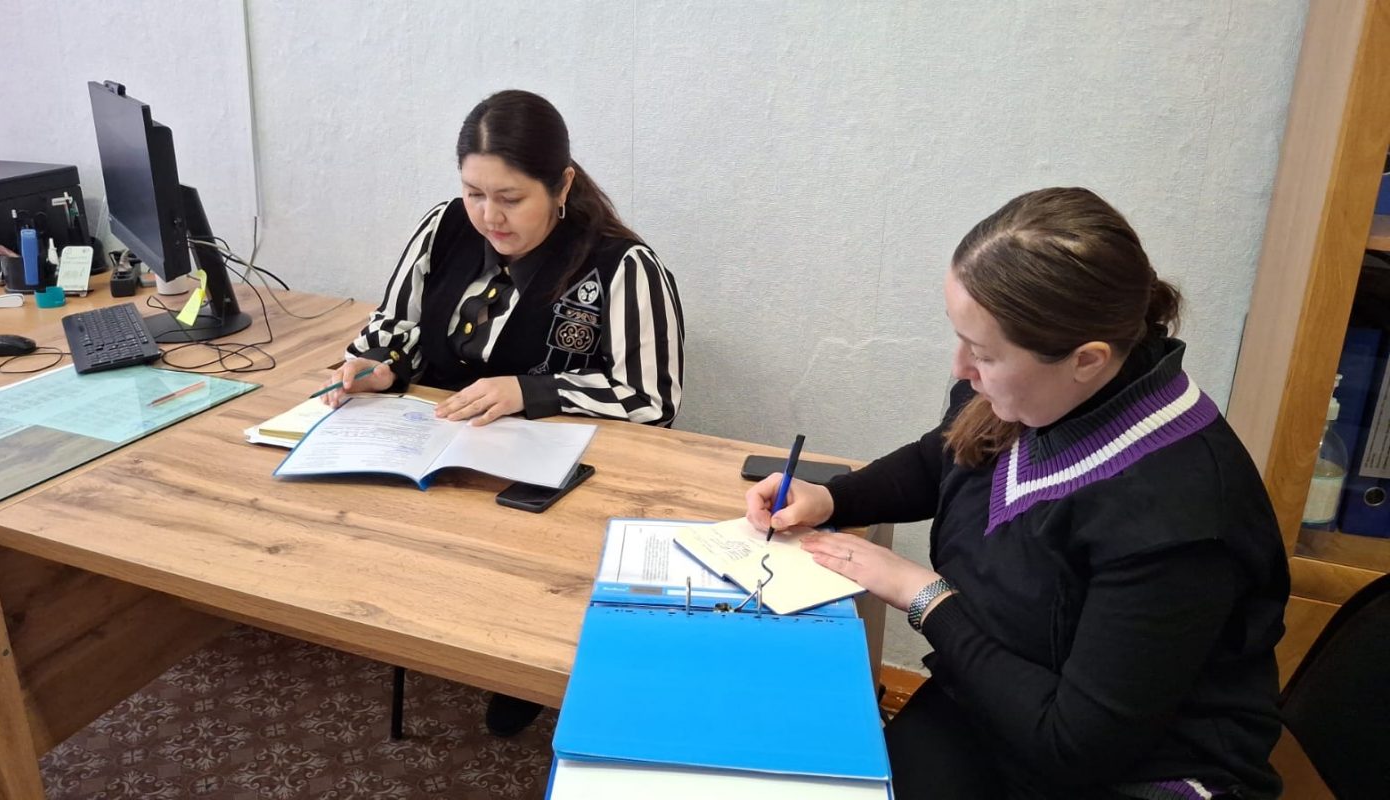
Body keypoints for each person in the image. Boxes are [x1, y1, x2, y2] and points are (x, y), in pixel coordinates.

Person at [746, 188, 1288, 800]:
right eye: (961, 339)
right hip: (994, 693)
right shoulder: (1037, 394)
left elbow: (1074, 746)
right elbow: (943, 459)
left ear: (1086, 360)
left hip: (1122, 768)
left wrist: (923, 596)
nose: (961, 367)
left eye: (982, 353)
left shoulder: (1179, 519)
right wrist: (833, 498)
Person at [323, 89, 684, 736]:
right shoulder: (444, 227)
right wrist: (381, 367)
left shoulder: (621, 266)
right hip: (437, 453)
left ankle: (524, 661)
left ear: (561, 185)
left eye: (511, 198)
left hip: (545, 490)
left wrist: (532, 391)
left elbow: (651, 400)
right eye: (474, 193)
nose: (489, 216)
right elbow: (394, 327)